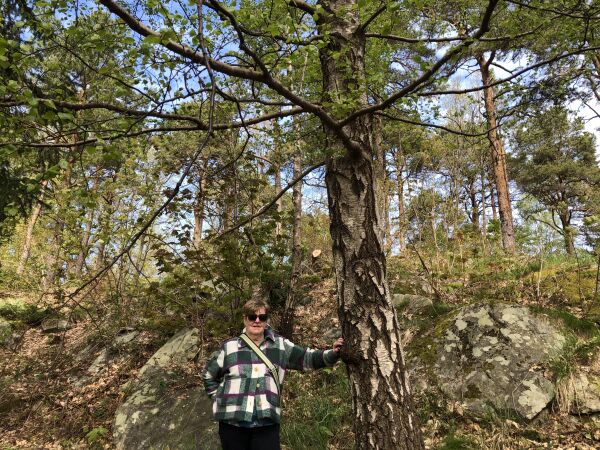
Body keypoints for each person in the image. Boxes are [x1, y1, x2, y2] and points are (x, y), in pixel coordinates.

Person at [202, 298, 344, 450]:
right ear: (245, 319)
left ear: (266, 321)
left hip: (266, 424)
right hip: (231, 425)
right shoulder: (229, 347)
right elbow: (208, 375)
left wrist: (333, 353)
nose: (257, 321)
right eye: (252, 317)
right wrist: (219, 398)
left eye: (261, 317)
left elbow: (307, 358)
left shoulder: (280, 346)